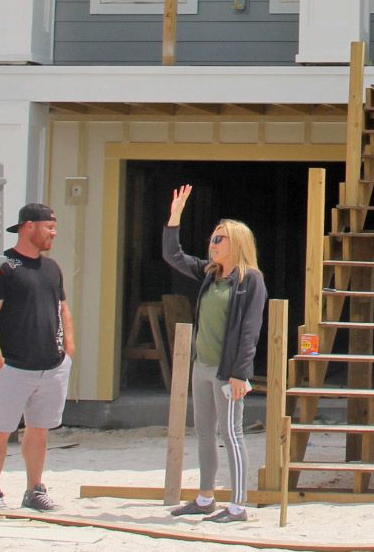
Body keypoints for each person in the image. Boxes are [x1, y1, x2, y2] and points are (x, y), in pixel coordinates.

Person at [163, 185, 268, 524]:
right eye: (212, 238)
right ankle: (205, 497)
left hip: (227, 371)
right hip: (202, 366)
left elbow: (250, 330)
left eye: (220, 239)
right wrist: (175, 218)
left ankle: (237, 506)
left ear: (237, 243)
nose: (213, 243)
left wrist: (241, 373)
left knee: (231, 433)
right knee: (205, 432)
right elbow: (174, 256)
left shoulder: (250, 280)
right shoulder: (210, 275)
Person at [0, 202, 73, 512]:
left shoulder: (52, 268)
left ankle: (35, 490)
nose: (53, 233)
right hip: (14, 365)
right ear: (28, 226)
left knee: (39, 430)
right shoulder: (1, 265)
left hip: (52, 364)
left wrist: (68, 348)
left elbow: (63, 309)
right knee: (1, 430)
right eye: (49, 226)